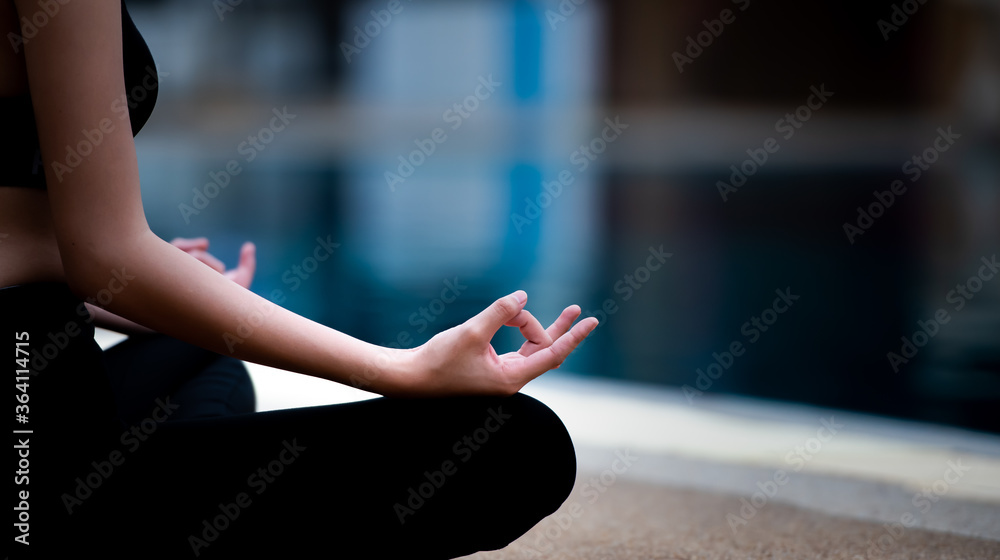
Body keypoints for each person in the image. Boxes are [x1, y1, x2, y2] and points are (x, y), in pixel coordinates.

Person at [1, 1, 597, 557]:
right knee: (519, 448)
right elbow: (107, 255)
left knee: (206, 361)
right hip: (38, 460)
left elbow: (56, 251)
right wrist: (405, 368)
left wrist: (149, 287)